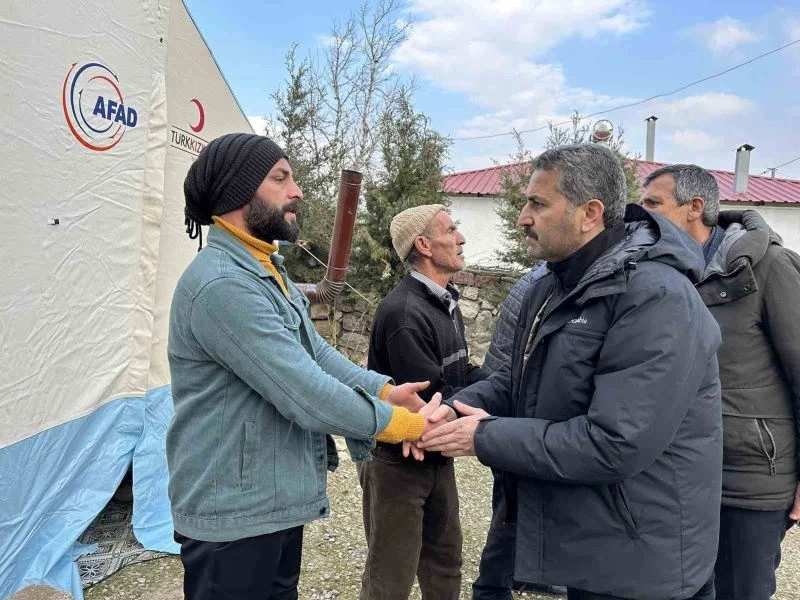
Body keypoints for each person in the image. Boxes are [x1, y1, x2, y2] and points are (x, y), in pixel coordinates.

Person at [420, 143, 722, 600]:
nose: (523, 216)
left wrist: (481, 436)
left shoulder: (656, 297)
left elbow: (615, 443)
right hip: (593, 548)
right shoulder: (553, 283)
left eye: (537, 203)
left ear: (589, 213)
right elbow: (521, 382)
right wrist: (458, 408)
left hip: (641, 563)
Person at [166, 133, 434, 600]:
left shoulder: (267, 269)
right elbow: (303, 391)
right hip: (232, 512)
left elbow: (316, 354)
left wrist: (384, 391)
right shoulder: (223, 285)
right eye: (280, 178)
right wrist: (402, 425)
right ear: (237, 190)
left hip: (268, 501)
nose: (298, 191)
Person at [641, 163, 800, 600]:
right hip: (677, 474)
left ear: (694, 208)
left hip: (750, 478)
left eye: (653, 204)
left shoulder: (768, 266)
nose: (642, 215)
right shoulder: (659, 276)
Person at [358, 204, 487, 600]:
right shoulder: (404, 313)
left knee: (445, 562)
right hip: (398, 463)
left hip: (435, 457)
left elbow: (459, 378)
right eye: (451, 230)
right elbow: (433, 400)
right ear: (424, 245)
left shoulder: (444, 301)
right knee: (390, 577)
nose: (461, 238)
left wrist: (505, 382)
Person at [471, 265, 567, 599]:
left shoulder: (541, 278)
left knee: (512, 503)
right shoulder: (546, 284)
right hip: (516, 409)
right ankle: (492, 586)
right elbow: (517, 365)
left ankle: (524, 573)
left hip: (513, 409)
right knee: (512, 509)